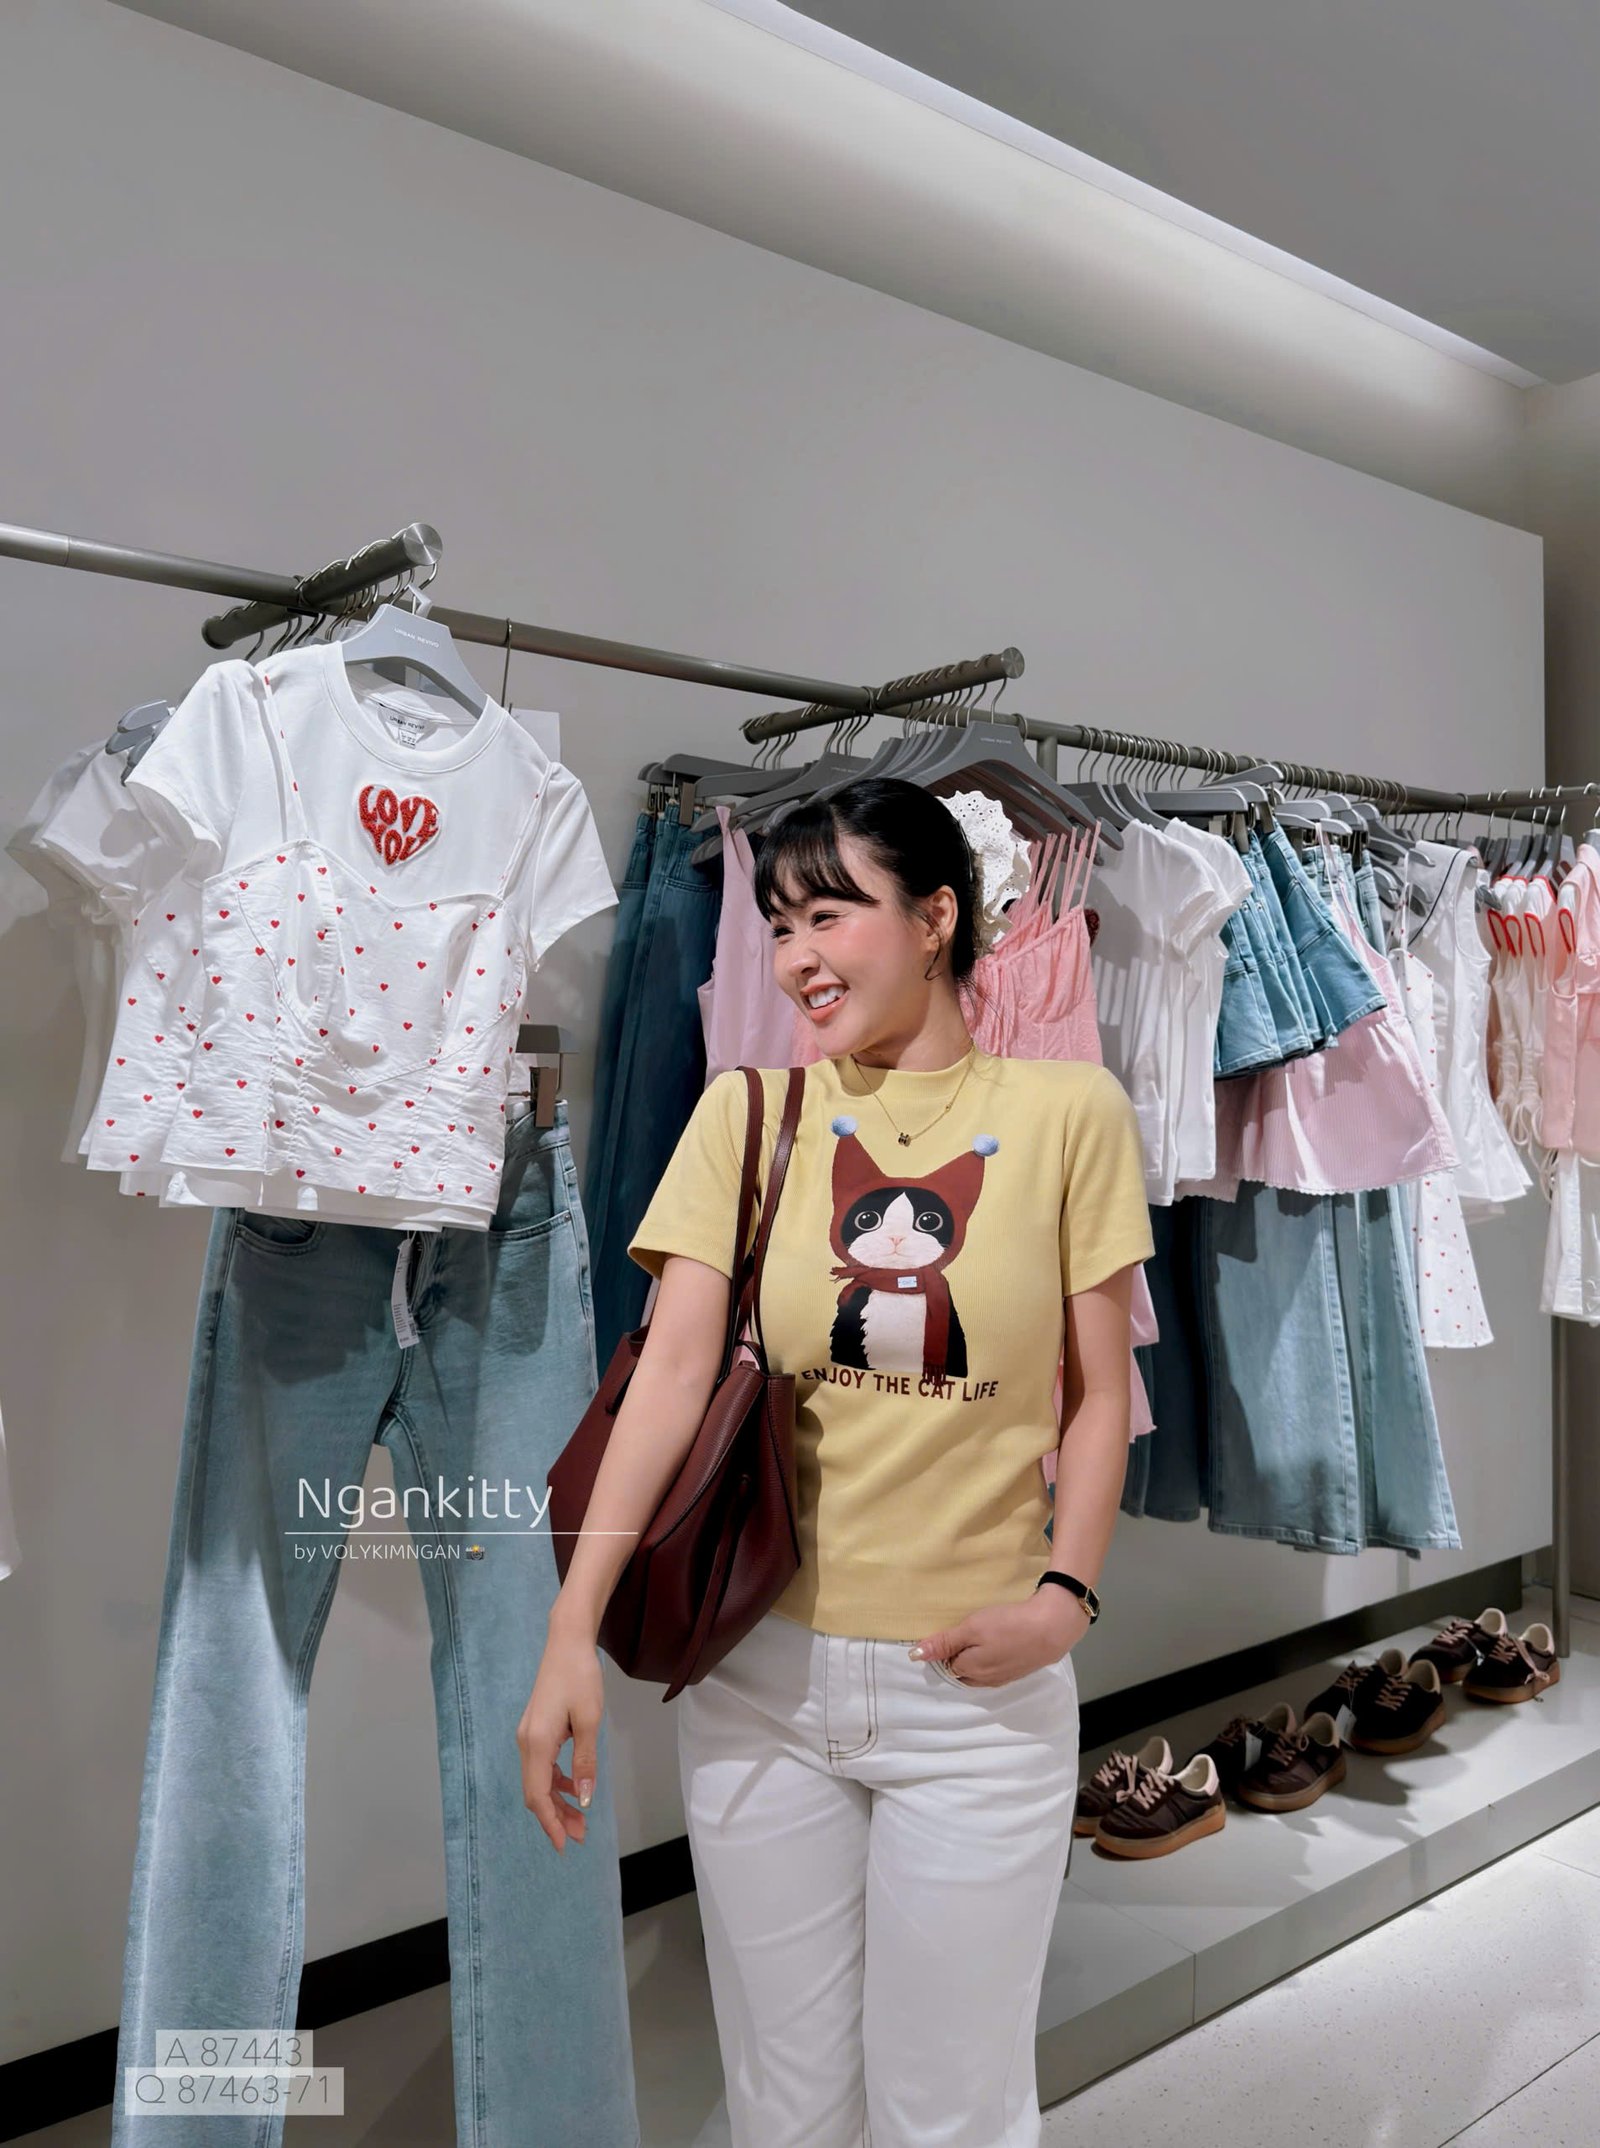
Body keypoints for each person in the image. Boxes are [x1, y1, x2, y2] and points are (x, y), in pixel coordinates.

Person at [517, 777, 1154, 2147]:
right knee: (786, 2107)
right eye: (779, 923)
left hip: (974, 1700)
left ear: (935, 918)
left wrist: (1065, 1598)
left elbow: (1099, 1394)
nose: (797, 954)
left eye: (832, 913)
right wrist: (572, 1628)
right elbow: (667, 1384)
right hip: (760, 1681)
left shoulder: (1069, 1112)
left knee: (951, 2110)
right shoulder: (749, 1115)